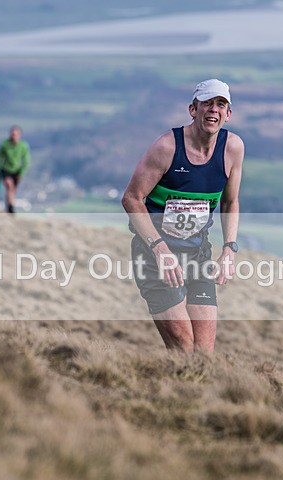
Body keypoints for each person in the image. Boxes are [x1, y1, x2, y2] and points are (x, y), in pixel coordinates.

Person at [121, 79, 244, 353]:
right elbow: (131, 198)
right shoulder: (167, 147)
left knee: (203, 355)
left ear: (228, 114)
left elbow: (230, 201)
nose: (213, 110)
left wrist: (229, 249)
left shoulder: (233, 148)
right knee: (184, 350)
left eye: (220, 104)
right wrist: (160, 249)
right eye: (207, 103)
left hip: (198, 256)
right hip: (155, 258)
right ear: (193, 109)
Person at [0, 125, 30, 213]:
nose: (14, 136)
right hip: (6, 169)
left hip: (17, 170)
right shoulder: (5, 145)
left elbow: (26, 161)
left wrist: (21, 173)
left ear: (19, 135)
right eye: (12, 134)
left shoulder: (23, 146)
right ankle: (10, 208)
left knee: (12, 190)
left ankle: (10, 206)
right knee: (9, 186)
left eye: (15, 134)